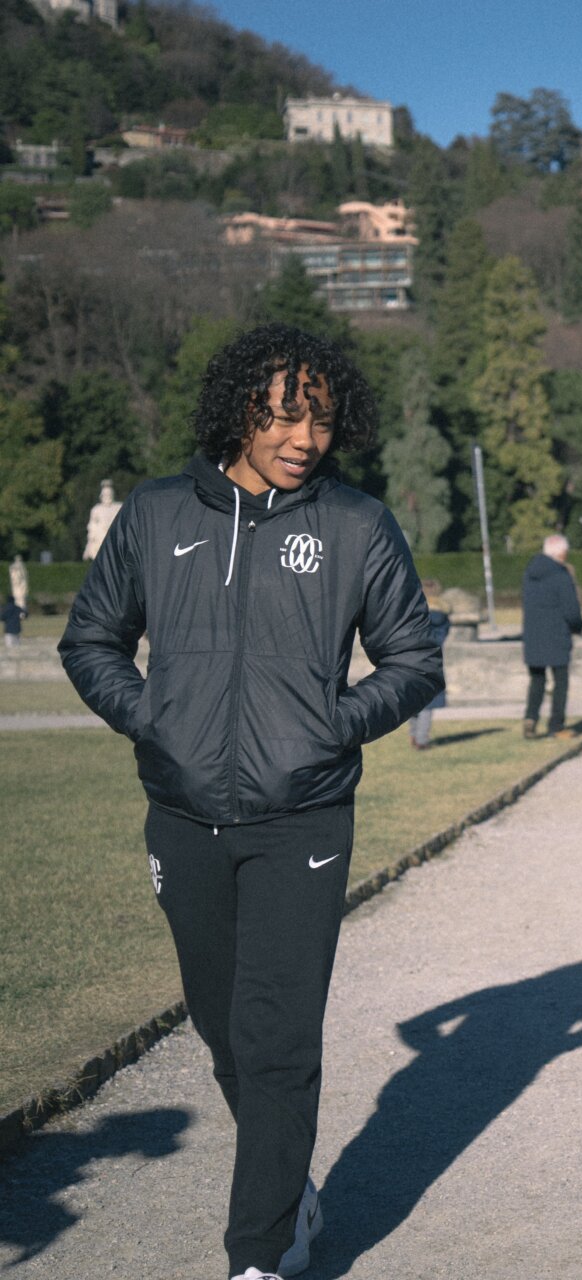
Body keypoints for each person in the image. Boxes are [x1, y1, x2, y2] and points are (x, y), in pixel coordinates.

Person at [59, 323, 443, 1280]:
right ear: (241, 409)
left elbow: (414, 658)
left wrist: (330, 727)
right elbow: (91, 641)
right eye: (282, 416)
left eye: (318, 419)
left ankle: (259, 1253)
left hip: (301, 819)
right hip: (183, 816)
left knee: (277, 1036)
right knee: (221, 1021)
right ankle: (289, 1184)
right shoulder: (153, 516)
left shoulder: (356, 525)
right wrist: (155, 720)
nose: (303, 438)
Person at [520, 534, 582, 739]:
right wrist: (577, 627)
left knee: (537, 680)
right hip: (557, 634)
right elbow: (571, 610)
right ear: (562, 552)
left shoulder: (529, 573)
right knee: (560, 682)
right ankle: (556, 725)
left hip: (534, 635)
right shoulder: (561, 575)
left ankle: (530, 718)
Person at [409, 582, 452, 750]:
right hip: (433, 660)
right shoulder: (443, 617)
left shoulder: (413, 613)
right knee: (429, 703)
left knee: (412, 701)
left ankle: (414, 735)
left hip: (413, 659)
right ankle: (421, 739)